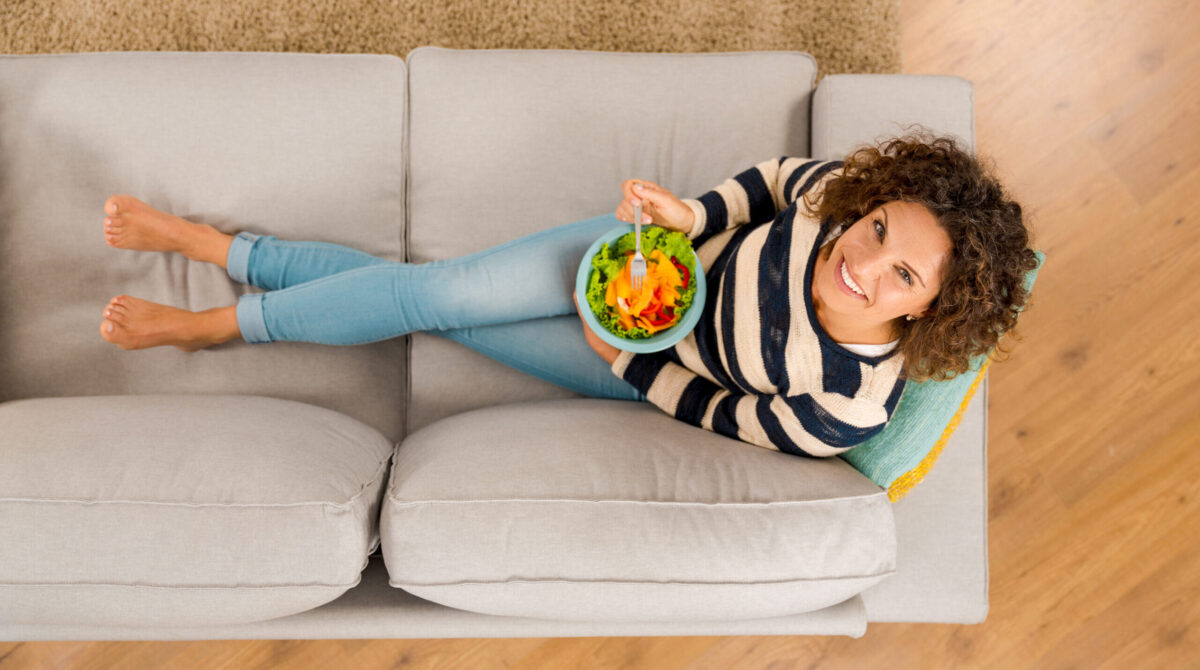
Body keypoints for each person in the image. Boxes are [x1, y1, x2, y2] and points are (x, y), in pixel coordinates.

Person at [98, 131, 1038, 458]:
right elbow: (780, 178)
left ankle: (218, 283)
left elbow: (722, 414)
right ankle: (215, 283)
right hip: (638, 261)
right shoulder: (845, 201)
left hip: (639, 360)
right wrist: (689, 212)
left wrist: (627, 361)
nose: (863, 263)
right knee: (432, 291)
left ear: (925, 310)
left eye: (901, 275)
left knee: (434, 307)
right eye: (879, 232)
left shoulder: (848, 403)